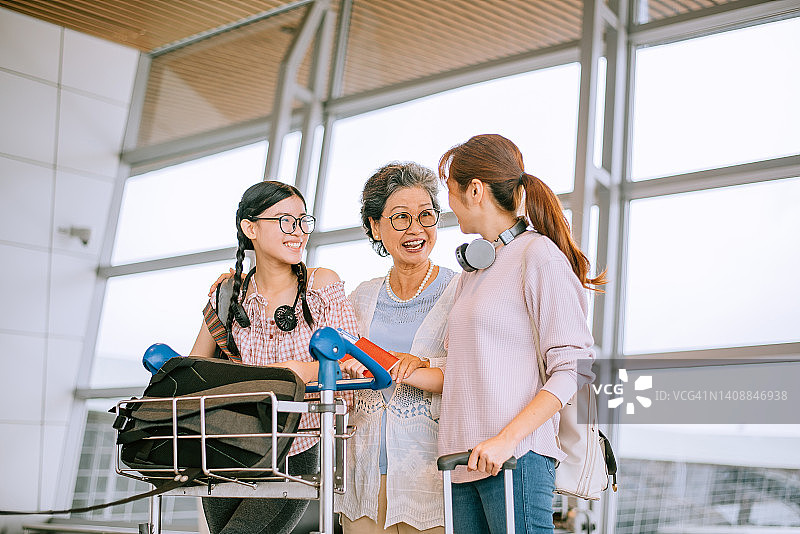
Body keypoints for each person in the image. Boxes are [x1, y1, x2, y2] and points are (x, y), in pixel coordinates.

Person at [436, 134, 604, 534]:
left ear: (474, 189)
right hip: (462, 462)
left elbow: (575, 368)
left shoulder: (538, 256)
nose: (449, 204)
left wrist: (507, 440)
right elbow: (461, 368)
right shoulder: (473, 271)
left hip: (516, 459)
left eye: (451, 191)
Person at [189, 180, 360, 534]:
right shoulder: (227, 293)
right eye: (284, 220)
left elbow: (350, 364)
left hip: (296, 446)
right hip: (229, 445)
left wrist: (296, 371)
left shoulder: (321, 285)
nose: (297, 231)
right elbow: (197, 370)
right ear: (250, 228)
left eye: (302, 221)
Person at [336, 162, 456, 534]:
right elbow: (339, 361)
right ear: (376, 226)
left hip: (430, 475)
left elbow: (473, 372)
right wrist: (348, 368)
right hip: (363, 473)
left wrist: (416, 369)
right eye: (401, 218)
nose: (416, 229)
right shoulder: (361, 297)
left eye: (426, 216)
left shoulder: (461, 291)